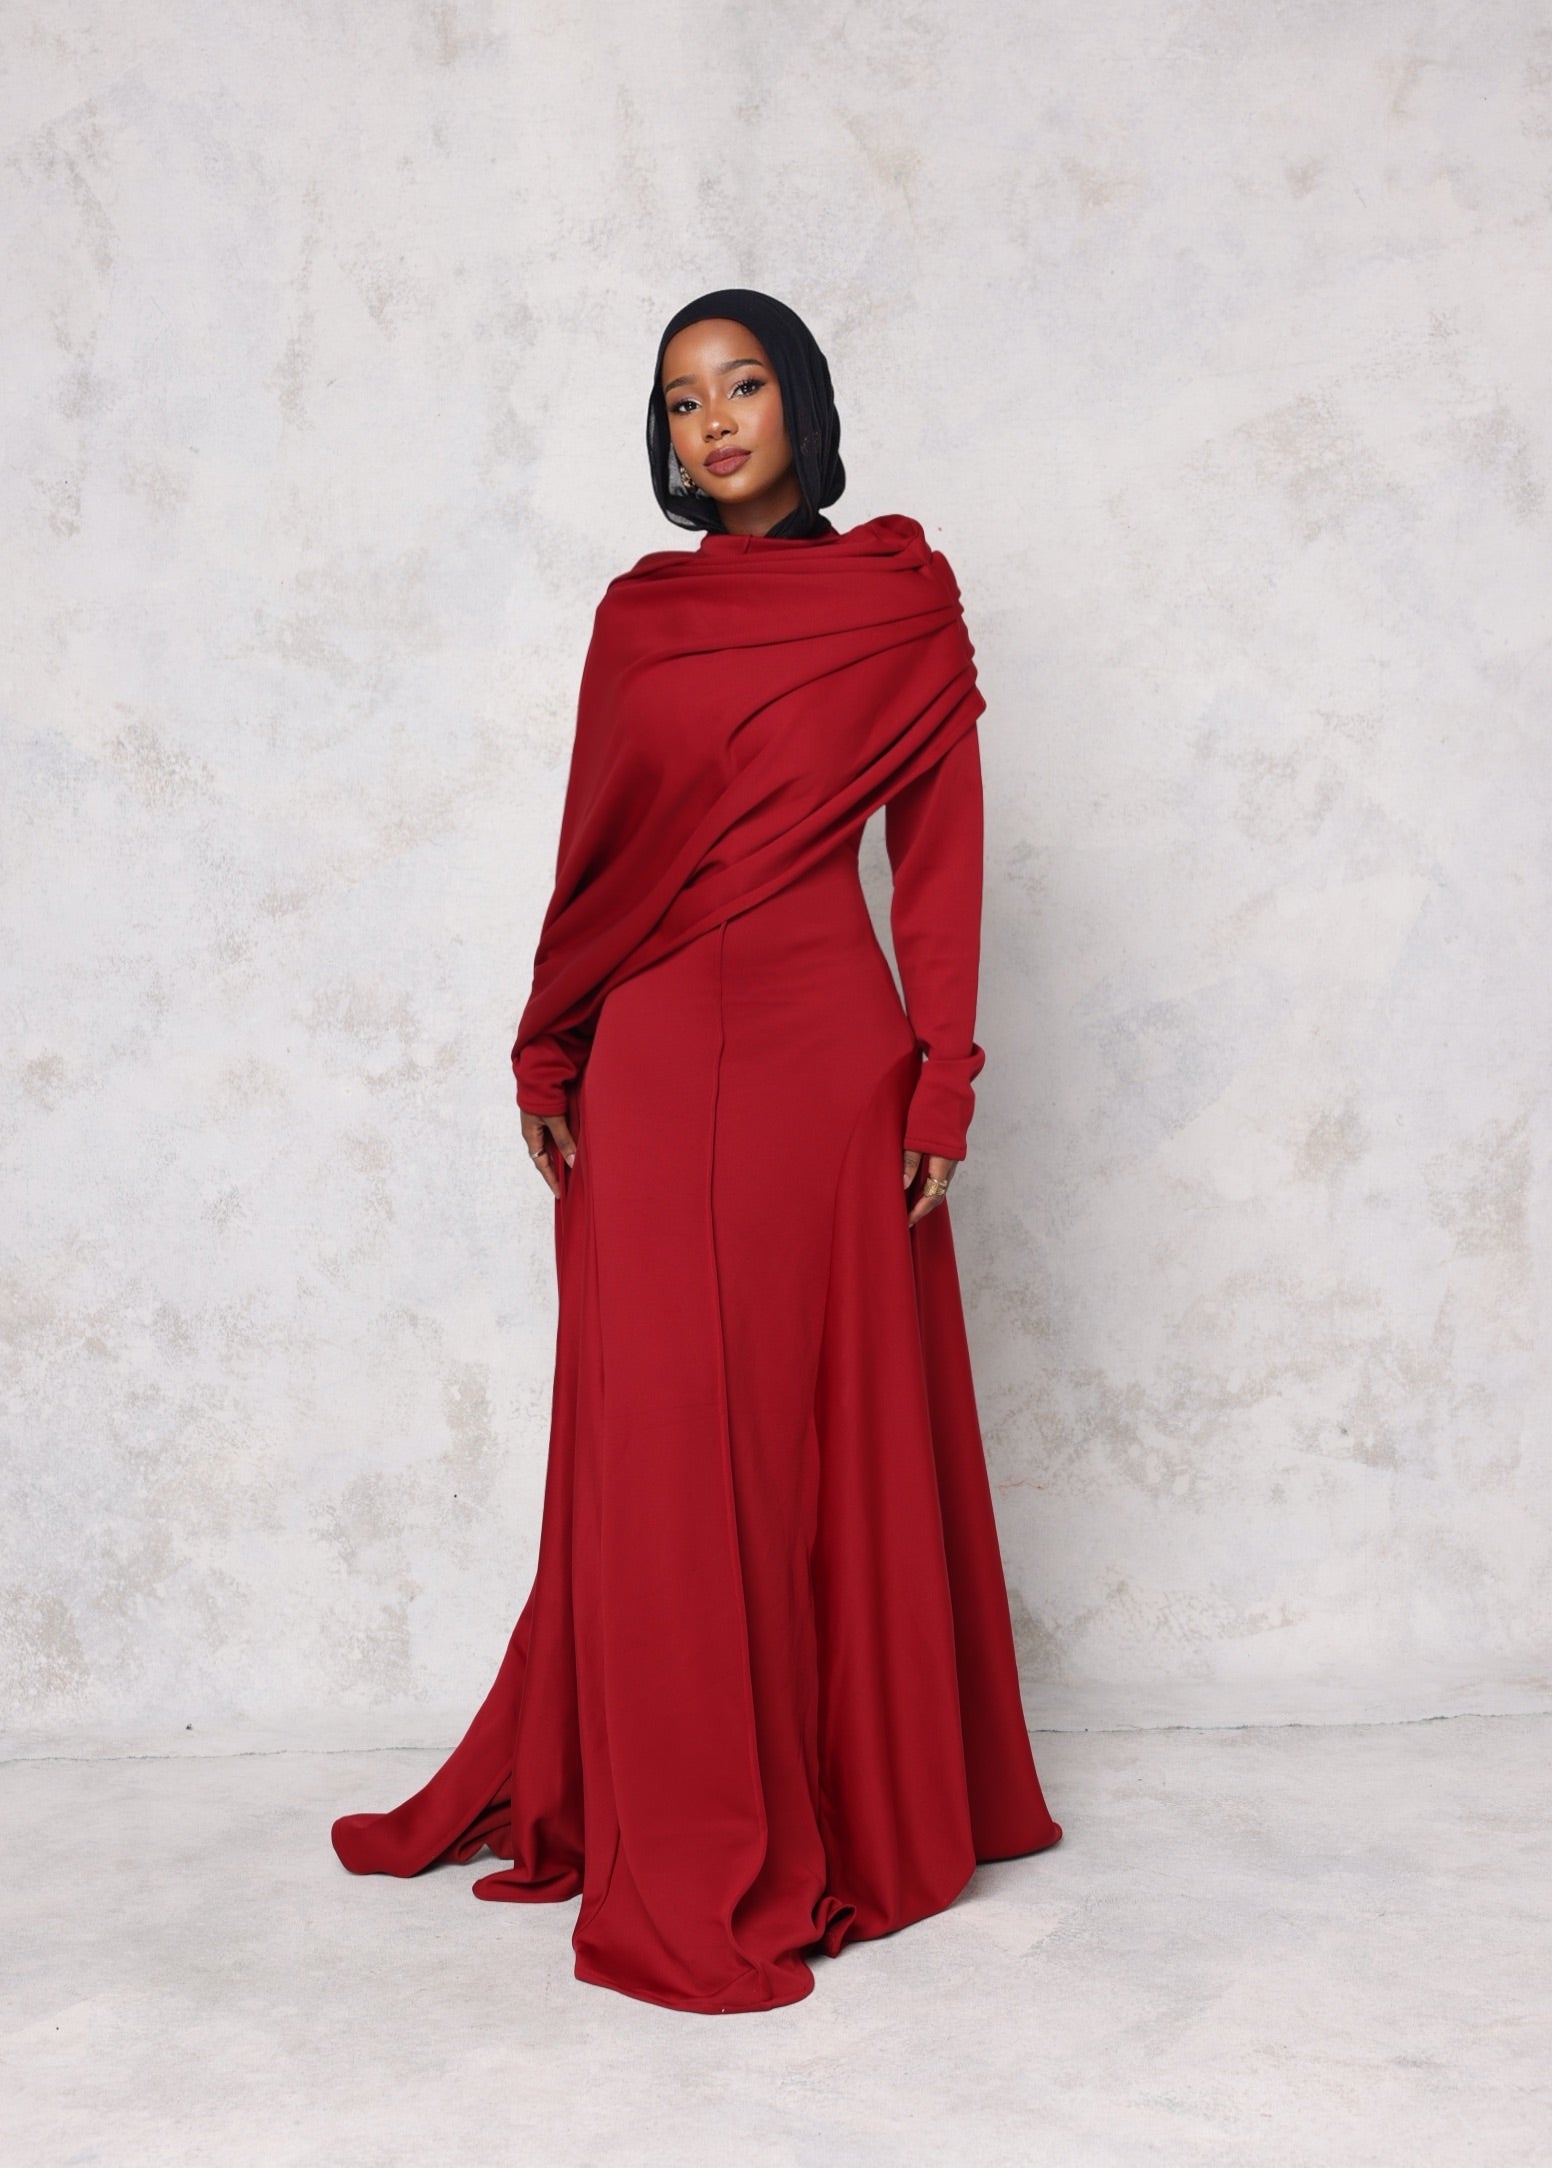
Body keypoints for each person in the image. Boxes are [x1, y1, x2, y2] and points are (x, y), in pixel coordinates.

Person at [331, 288, 1061, 2014]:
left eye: (742, 386)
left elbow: (941, 853)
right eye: (681, 402)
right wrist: (548, 1036)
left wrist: (944, 1081)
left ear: (801, 401)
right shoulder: (640, 622)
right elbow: (594, 848)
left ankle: (850, 1799)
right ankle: (672, 1798)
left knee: (815, 1427)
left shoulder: (898, 600)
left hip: (828, 1059)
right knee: (663, 1430)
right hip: (651, 1054)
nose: (714, 422)